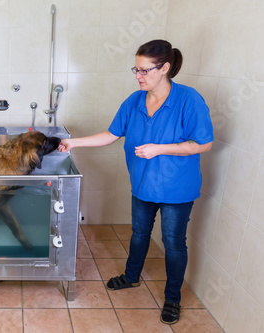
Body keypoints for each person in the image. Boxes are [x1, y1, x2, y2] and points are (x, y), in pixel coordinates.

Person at [58, 39, 213, 325]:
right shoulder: (134, 101)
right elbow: (112, 134)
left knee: (173, 242)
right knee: (140, 233)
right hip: (143, 185)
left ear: (165, 68)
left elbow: (203, 143)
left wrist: (160, 148)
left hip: (177, 189)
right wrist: (73, 142)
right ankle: (131, 277)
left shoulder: (189, 100)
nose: (138, 76)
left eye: (144, 70)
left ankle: (172, 298)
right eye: (136, 69)